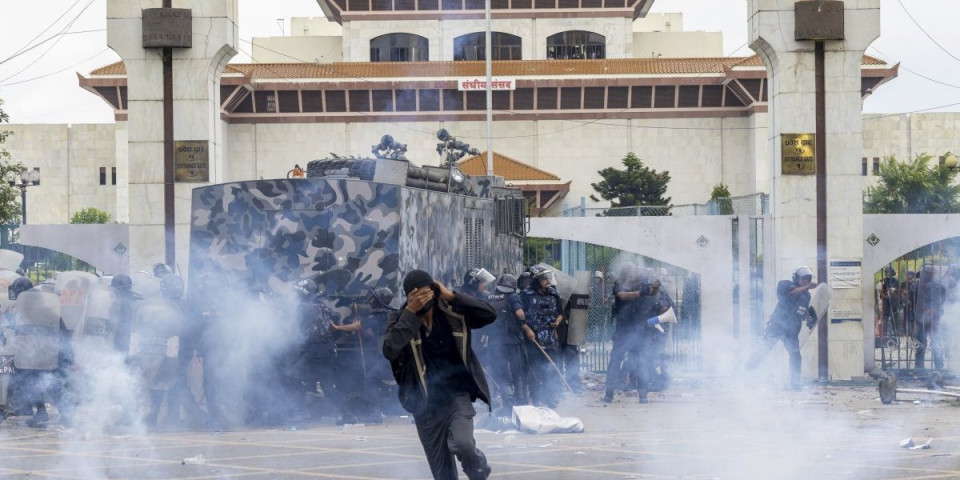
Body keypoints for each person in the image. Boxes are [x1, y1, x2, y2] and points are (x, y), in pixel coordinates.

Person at [382, 269, 496, 480]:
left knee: (463, 444)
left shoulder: (451, 312)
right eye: (416, 296)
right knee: (443, 475)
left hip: (456, 396)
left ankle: (478, 466)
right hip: (424, 405)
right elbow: (390, 349)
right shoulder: (400, 318)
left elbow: (490, 315)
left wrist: (451, 295)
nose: (423, 300)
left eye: (427, 293)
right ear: (408, 297)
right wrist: (410, 313)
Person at [745, 266, 817, 389]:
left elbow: (802, 310)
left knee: (795, 356)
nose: (805, 281)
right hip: (777, 327)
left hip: (792, 332)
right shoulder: (784, 285)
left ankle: (795, 384)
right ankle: (746, 373)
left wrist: (810, 318)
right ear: (796, 278)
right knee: (764, 350)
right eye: (803, 278)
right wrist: (807, 287)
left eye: (808, 279)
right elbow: (792, 293)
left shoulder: (806, 296)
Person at [483, 274, 531, 410]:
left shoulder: (490, 297)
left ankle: (508, 402)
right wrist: (525, 323)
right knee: (518, 371)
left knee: (502, 373)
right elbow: (520, 314)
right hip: (512, 341)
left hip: (494, 343)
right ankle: (521, 402)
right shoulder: (513, 296)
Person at [521, 266, 564, 408]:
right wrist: (527, 330)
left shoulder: (553, 294)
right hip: (534, 340)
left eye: (548, 278)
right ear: (536, 279)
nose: (547, 281)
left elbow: (560, 313)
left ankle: (550, 399)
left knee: (551, 370)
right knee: (535, 371)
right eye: (544, 278)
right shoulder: (526, 295)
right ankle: (535, 401)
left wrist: (557, 321)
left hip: (550, 340)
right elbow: (519, 318)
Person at [603, 263, 640, 403]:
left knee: (638, 360)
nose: (632, 274)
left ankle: (641, 394)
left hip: (637, 329)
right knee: (615, 360)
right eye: (629, 272)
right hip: (623, 330)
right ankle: (609, 393)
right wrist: (639, 293)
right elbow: (621, 295)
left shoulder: (639, 285)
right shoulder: (619, 284)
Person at [914, 263, 946, 370]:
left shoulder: (939, 286)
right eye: (927, 273)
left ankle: (939, 366)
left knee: (936, 342)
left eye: (930, 273)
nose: (928, 275)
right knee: (920, 343)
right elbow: (913, 302)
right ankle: (919, 367)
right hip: (921, 319)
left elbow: (942, 301)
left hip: (934, 319)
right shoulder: (916, 286)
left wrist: (935, 310)